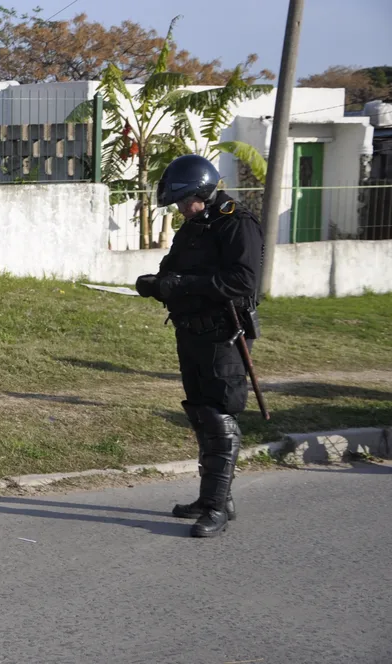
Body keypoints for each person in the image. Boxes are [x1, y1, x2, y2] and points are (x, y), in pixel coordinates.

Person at [135, 154, 264, 538]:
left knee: (219, 413)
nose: (180, 208)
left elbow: (243, 281)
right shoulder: (192, 227)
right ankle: (216, 497)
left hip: (225, 335)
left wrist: (185, 286)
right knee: (199, 413)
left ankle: (214, 508)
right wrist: (156, 285)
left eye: (184, 200)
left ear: (204, 192)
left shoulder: (237, 223)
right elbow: (173, 270)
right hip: (190, 332)